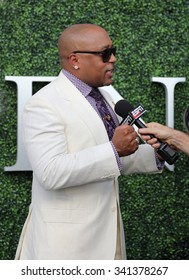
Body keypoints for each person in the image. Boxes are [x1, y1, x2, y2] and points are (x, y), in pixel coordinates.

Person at [15, 23, 163, 260]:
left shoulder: (106, 96)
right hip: (65, 250)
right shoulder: (44, 103)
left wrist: (157, 154)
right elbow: (51, 172)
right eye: (105, 53)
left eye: (113, 51)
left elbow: (113, 161)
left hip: (109, 241)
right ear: (75, 60)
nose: (113, 59)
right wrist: (114, 149)